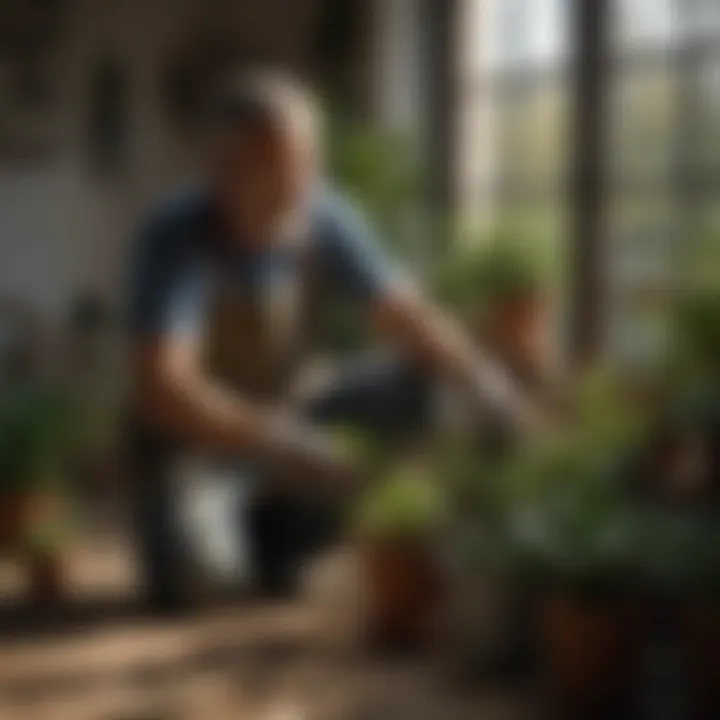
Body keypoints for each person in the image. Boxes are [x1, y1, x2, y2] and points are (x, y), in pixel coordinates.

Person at [127, 70, 539, 611]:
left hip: (294, 405)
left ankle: (287, 537)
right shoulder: (179, 234)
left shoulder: (321, 212)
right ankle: (236, 537)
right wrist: (276, 441)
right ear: (226, 169)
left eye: (308, 164)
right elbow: (164, 387)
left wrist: (486, 383)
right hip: (200, 442)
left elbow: (406, 314)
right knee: (199, 578)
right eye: (277, 168)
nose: (299, 186)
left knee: (420, 383)